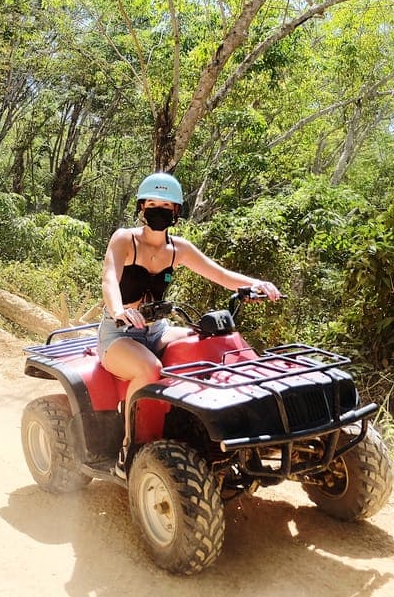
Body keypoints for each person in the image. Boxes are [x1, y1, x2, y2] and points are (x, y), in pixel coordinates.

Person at [100, 172, 280, 477]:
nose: (158, 210)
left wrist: (256, 283)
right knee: (148, 369)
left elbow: (220, 275)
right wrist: (119, 310)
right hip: (119, 333)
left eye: (166, 205)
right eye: (152, 203)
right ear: (141, 207)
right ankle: (130, 447)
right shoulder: (124, 239)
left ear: (175, 213)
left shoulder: (178, 249)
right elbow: (109, 278)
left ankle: (237, 426)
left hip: (157, 330)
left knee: (212, 343)